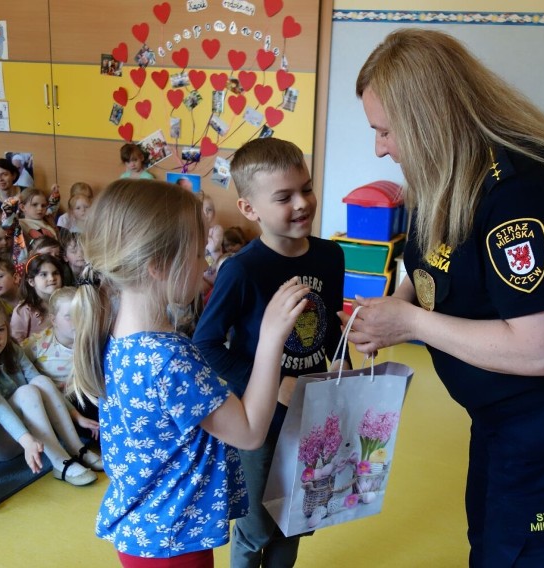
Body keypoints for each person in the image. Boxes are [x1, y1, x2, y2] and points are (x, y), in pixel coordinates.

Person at [347, 29, 544, 568]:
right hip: (502, 409)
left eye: (386, 131)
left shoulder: (526, 192)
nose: (380, 148)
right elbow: (434, 257)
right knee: (490, 533)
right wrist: (396, 303)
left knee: (530, 547)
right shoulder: (449, 172)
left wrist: (408, 323)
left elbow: (539, 351)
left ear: (427, 121)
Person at [70, 178, 310, 566]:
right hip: (174, 543)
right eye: (199, 255)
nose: (205, 266)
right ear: (158, 267)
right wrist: (270, 339)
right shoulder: (170, 358)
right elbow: (249, 433)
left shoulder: (113, 332)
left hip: (145, 533)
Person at [193, 138, 350, 568]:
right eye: (284, 197)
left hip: (315, 412)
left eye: (307, 188)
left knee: (298, 515)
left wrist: (343, 362)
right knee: (257, 525)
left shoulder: (331, 255)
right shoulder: (242, 270)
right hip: (261, 418)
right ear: (249, 209)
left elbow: (331, 323)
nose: (302, 203)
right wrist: (278, 383)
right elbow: (205, 347)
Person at [0, 293, 101, 486]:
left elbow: (38, 380)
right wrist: (26, 441)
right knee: (27, 391)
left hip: (28, 436)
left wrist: (76, 416)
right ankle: (60, 462)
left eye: (0, 330)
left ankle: (77, 448)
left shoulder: (11, 350)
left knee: (40, 380)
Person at [22, 286, 98, 440]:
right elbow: (20, 372)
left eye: (81, 314)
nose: (78, 321)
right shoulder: (35, 346)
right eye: (69, 316)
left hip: (90, 394)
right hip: (61, 403)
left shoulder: (95, 340)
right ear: (53, 319)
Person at [10, 253, 63, 343]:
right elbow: (16, 345)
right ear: (31, 282)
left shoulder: (68, 302)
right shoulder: (22, 311)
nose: (51, 278)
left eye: (55, 273)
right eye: (43, 274)